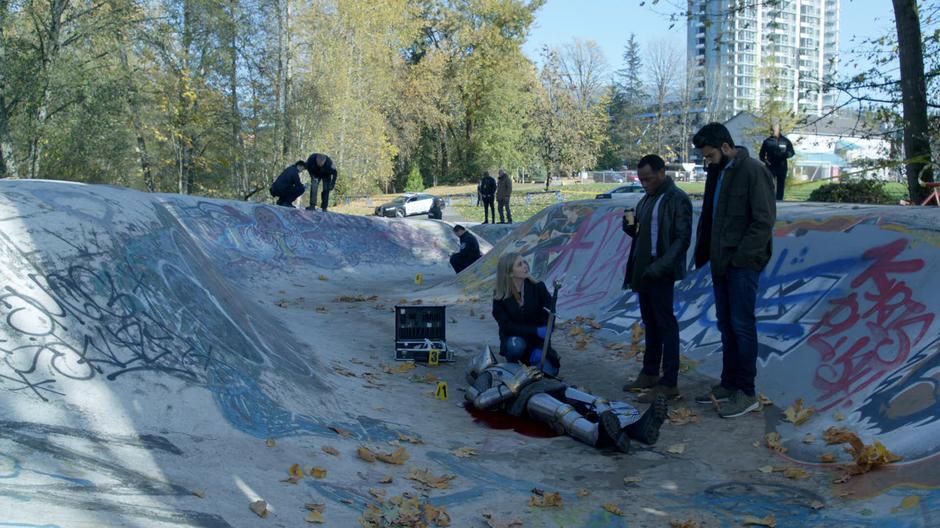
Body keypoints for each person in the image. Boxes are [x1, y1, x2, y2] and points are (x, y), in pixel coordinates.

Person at [691, 122, 776, 418]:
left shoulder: (753, 171)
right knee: (726, 324)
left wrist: (741, 258)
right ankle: (729, 384)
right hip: (721, 263)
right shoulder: (719, 172)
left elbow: (763, 221)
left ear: (726, 147)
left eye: (711, 155)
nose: (708, 161)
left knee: (741, 324)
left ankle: (747, 391)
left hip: (741, 265)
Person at [465, 347, 667, 453]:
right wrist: (517, 383)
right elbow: (480, 401)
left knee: (595, 401)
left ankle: (635, 428)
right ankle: (596, 435)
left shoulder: (506, 364)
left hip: (548, 384)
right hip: (526, 397)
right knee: (562, 412)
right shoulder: (487, 376)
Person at [621, 154, 693, 403]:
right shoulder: (647, 198)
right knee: (650, 323)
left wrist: (661, 266)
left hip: (660, 270)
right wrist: (630, 227)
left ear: (662, 172)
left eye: (648, 178)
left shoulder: (677, 198)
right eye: (641, 179)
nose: (644, 183)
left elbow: (682, 240)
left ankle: (669, 382)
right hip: (644, 270)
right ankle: (650, 372)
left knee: (665, 324)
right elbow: (643, 233)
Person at [491, 252, 560, 376]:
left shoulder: (538, 287)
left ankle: (532, 361)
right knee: (516, 346)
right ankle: (513, 363)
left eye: (524, 262)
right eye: (520, 264)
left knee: (549, 374)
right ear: (510, 273)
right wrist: (535, 330)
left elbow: (550, 319)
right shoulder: (499, 295)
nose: (525, 266)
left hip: (537, 343)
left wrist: (540, 347)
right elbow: (506, 326)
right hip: (514, 339)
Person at [758, 123, 795, 201]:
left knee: (781, 185)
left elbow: (792, 152)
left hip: (782, 167)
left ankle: (779, 201)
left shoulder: (785, 141)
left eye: (775, 130)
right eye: (772, 130)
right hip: (770, 167)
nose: (773, 131)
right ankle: (770, 200)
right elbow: (761, 155)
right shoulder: (767, 141)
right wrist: (766, 162)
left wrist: (786, 154)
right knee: (770, 184)